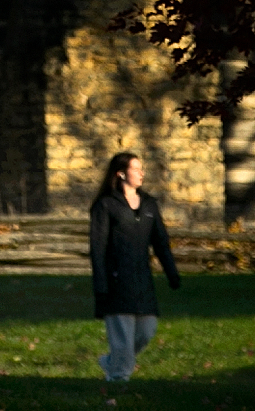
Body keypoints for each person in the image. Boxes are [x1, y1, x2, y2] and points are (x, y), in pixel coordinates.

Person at [88, 151, 181, 382]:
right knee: (122, 338)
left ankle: (112, 362)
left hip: (143, 283)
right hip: (116, 283)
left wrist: (172, 272)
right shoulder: (106, 205)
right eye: (136, 168)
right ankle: (119, 380)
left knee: (146, 331)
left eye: (142, 168)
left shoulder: (149, 205)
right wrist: (101, 285)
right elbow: (97, 249)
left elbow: (161, 243)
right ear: (121, 173)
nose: (142, 173)